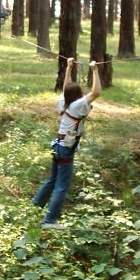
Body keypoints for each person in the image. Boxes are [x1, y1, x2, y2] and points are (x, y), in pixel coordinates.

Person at [32, 57, 101, 229]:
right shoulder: (77, 106)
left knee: (52, 180)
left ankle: (33, 209)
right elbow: (96, 93)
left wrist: (69, 68)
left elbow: (65, 87)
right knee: (62, 186)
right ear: (78, 94)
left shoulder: (64, 101)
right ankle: (49, 221)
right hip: (65, 149)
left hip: (57, 145)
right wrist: (95, 71)